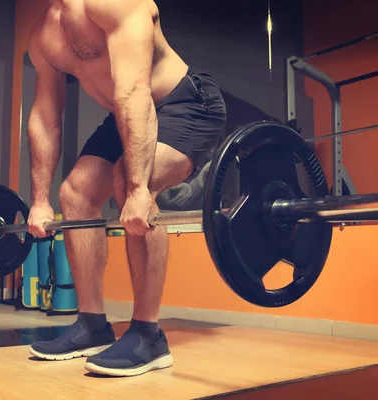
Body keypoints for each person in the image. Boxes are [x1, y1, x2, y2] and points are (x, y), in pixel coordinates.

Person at [24, 0, 227, 377]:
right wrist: (39, 200)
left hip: (186, 103)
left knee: (131, 180)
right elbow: (45, 116)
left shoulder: (115, 3)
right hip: (127, 110)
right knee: (74, 194)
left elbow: (134, 90)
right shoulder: (42, 35)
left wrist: (136, 189)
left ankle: (149, 336)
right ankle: (92, 325)